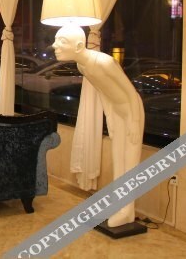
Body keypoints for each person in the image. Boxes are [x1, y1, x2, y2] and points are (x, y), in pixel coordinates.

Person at [52, 23, 144, 228]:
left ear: (78, 46)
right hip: (116, 112)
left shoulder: (104, 62)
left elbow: (130, 93)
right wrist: (109, 115)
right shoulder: (82, 66)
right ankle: (121, 207)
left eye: (61, 41)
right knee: (118, 161)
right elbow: (103, 91)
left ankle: (127, 212)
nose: (54, 45)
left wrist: (134, 122)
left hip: (132, 112)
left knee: (130, 164)